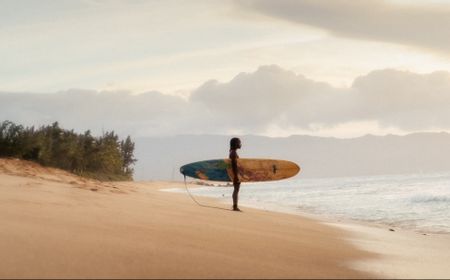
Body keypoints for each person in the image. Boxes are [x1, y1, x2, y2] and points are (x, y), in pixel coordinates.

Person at [229, 137, 242, 211]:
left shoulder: (232, 152)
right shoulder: (233, 153)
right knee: (236, 189)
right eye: (239, 142)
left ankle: (235, 206)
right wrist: (236, 176)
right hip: (235, 174)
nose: (240, 144)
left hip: (235, 174)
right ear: (235, 144)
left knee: (236, 189)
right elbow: (234, 165)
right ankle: (235, 206)